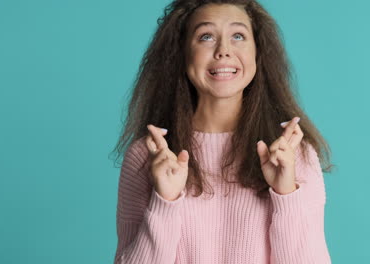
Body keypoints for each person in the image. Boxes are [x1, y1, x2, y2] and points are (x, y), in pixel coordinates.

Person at [111, 0, 335, 263]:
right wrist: (165, 202)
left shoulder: (294, 154)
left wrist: (286, 194)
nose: (224, 51)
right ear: (182, 54)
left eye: (238, 36)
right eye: (206, 36)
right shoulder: (146, 156)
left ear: (257, 54)